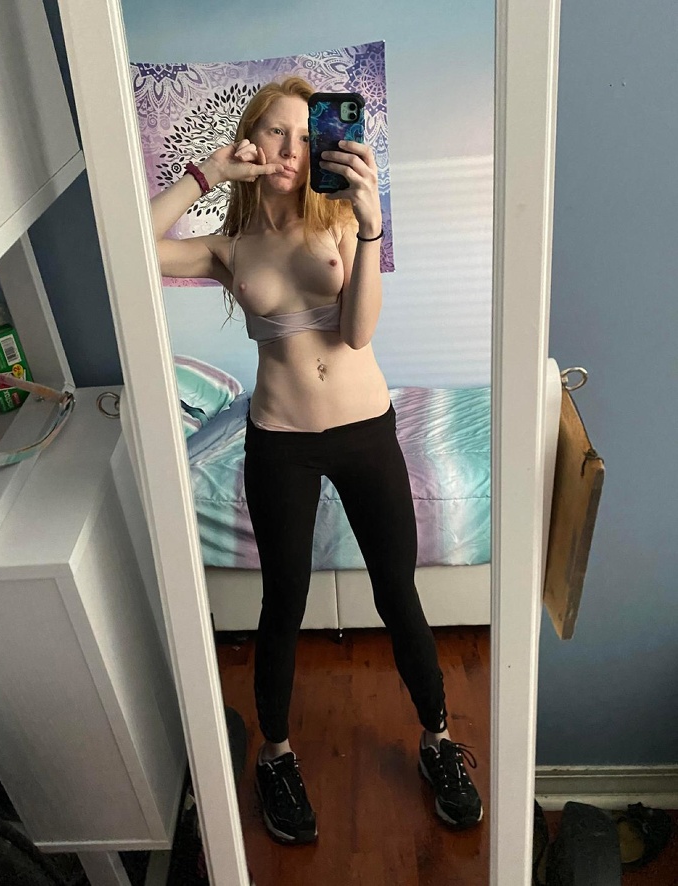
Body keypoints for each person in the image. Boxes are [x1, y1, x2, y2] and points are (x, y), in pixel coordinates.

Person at [150, 76, 482, 845]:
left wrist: (371, 227)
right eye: (276, 131)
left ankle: (437, 738)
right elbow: (131, 244)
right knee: (284, 602)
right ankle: (276, 754)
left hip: (365, 430)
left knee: (397, 592)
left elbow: (357, 333)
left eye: (306, 135)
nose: (291, 150)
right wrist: (207, 173)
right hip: (281, 441)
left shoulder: (339, 222)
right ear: (252, 136)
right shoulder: (230, 247)